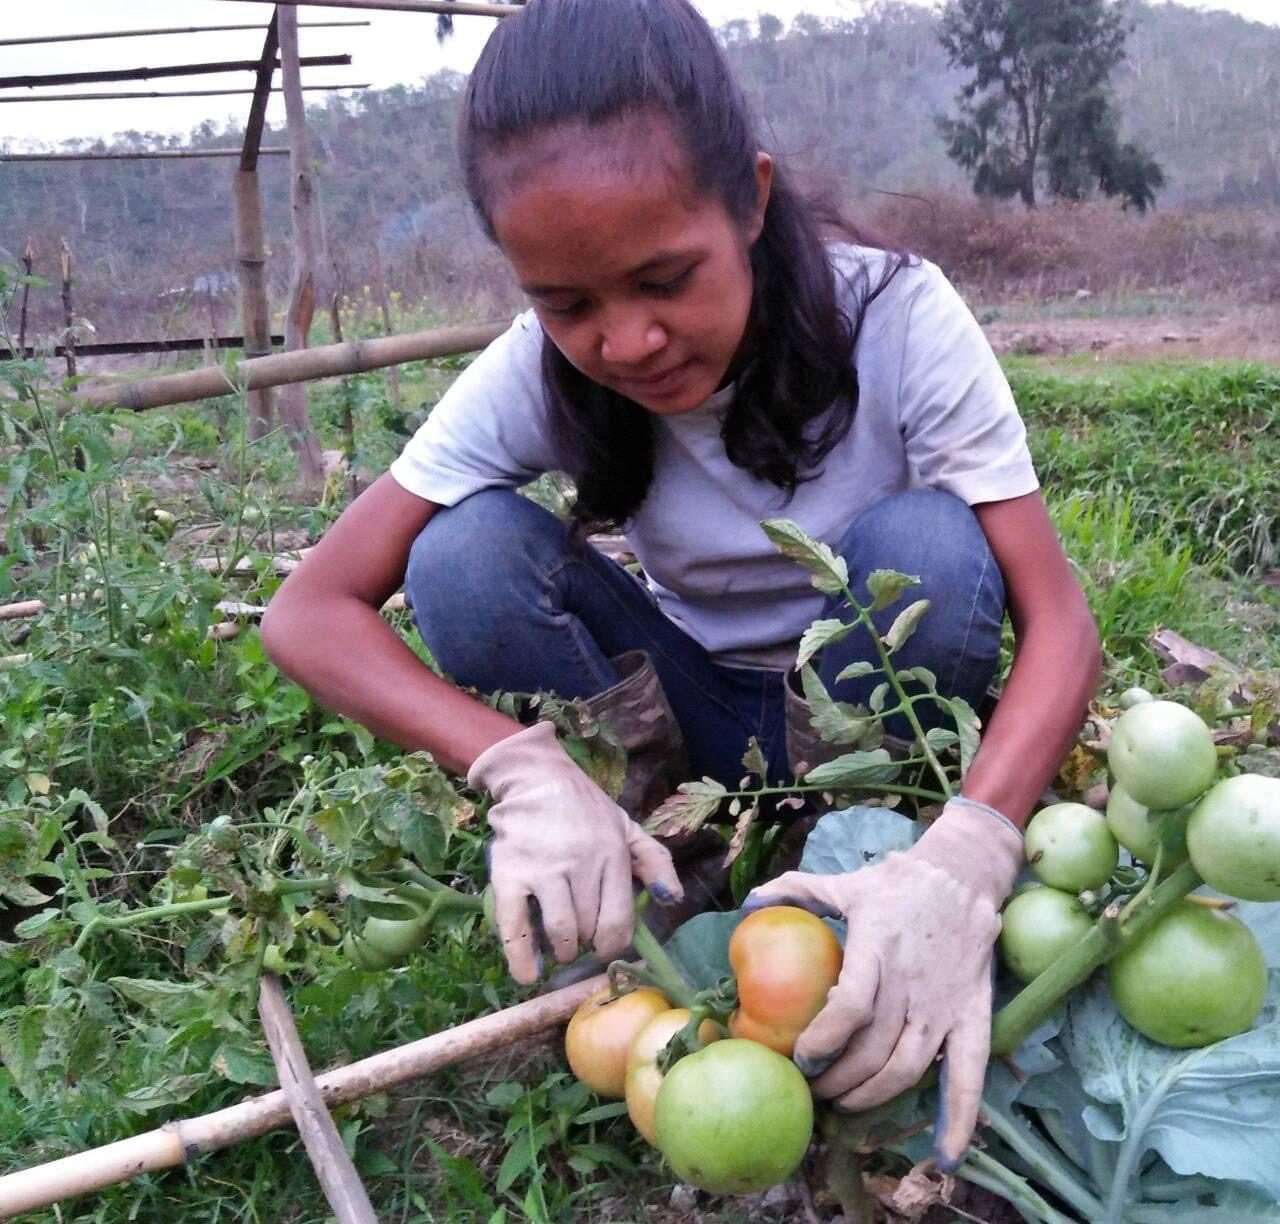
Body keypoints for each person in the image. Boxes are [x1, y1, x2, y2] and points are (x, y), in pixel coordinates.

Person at [260, 0, 1099, 1170]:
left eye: (665, 278)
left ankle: (868, 854)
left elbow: (1059, 622)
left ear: (751, 200)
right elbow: (307, 613)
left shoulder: (894, 317)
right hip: (693, 715)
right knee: (468, 554)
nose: (629, 341)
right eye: (571, 304)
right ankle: (648, 861)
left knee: (930, 548)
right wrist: (514, 765)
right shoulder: (531, 372)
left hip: (863, 711)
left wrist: (974, 850)